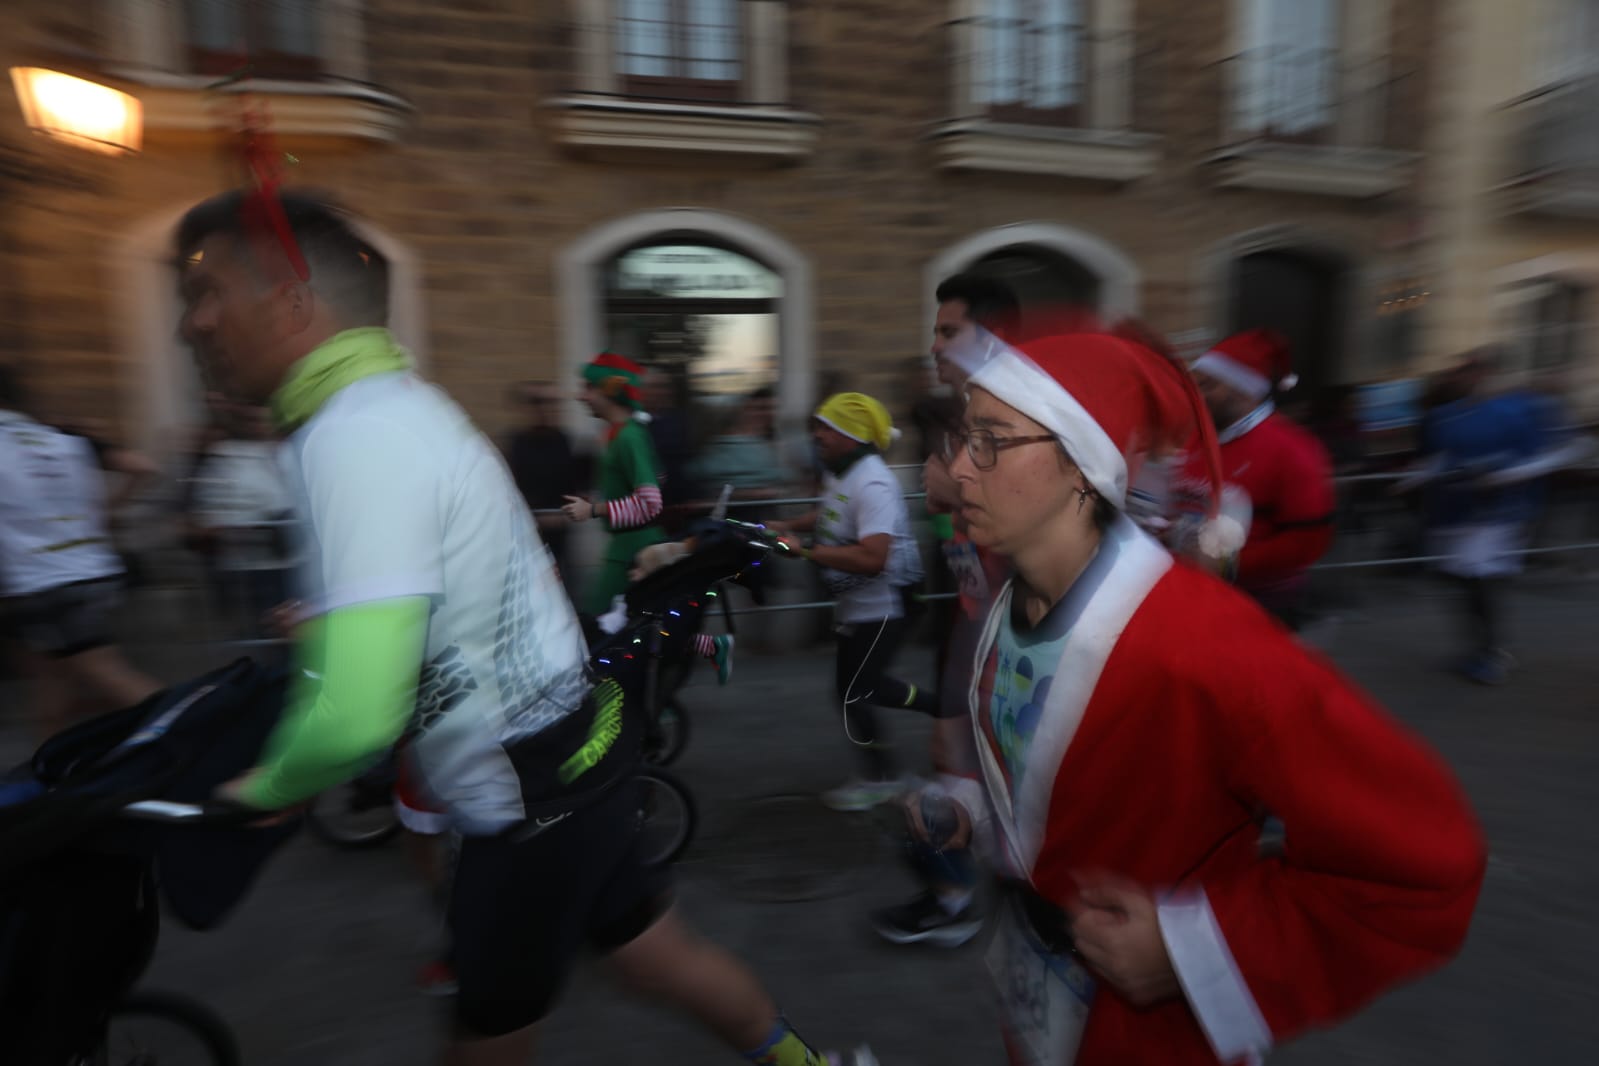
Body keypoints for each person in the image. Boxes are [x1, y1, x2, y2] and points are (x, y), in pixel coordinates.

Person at [178, 190, 873, 1066]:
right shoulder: (391, 408)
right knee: (659, 960)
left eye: (209, 291)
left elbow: (357, 715)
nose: (192, 322)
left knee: (494, 1036)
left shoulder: (358, 434)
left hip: (527, 797)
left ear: (289, 302)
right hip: (565, 756)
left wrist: (256, 794)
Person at [912, 329, 1484, 1065]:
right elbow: (1050, 770)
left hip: (1152, 1033)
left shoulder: (1207, 648)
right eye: (963, 436)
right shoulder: (1012, 598)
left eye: (990, 439)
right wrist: (973, 810)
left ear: (1082, 467)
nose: (957, 468)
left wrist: (1194, 951)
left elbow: (1427, 856)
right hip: (1040, 992)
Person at [869, 276, 1020, 948]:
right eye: (934, 331)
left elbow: (1044, 529)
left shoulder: (1018, 418)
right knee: (952, 757)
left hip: (1016, 636)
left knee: (988, 766)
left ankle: (968, 895)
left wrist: (953, 496)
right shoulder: (968, 413)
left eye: (947, 331)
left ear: (993, 338)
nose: (932, 345)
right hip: (971, 617)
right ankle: (953, 894)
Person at [772, 392, 935, 811]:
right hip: (859, 604)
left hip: (886, 603)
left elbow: (873, 558)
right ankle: (940, 714)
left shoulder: (874, 481)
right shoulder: (840, 473)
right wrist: (785, 523)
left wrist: (803, 552)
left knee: (856, 694)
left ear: (852, 434)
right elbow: (829, 513)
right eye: (818, 425)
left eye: (827, 428)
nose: (817, 435)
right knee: (855, 690)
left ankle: (885, 775)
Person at [1396, 350, 1591, 685]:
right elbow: (1442, 457)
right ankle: (1481, 648)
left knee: (1479, 580)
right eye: (1461, 371)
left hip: (1498, 513)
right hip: (1454, 512)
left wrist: (1508, 476)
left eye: (1473, 371)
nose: (1464, 377)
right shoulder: (1446, 416)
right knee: (1458, 580)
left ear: (1488, 374)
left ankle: (1491, 652)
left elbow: (1568, 448)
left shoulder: (1522, 409)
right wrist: (1413, 477)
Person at [0, 364, 163, 740]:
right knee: (51, 679)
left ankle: (196, 727)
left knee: (107, 674)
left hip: (42, 581)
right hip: (89, 569)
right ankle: (48, 774)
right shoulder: (62, 437)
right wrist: (105, 512)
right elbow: (142, 466)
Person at [562, 354, 732, 683]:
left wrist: (595, 510)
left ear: (610, 391)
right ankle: (709, 649)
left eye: (589, 388)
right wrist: (603, 502)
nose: (581, 396)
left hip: (633, 550)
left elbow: (650, 502)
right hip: (628, 546)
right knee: (637, 627)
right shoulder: (622, 434)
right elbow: (657, 480)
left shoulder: (628, 436)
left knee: (603, 628)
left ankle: (646, 708)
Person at [1180, 329, 1336, 628]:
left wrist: (1230, 565)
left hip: (1261, 604)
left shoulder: (1294, 447)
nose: (1196, 394)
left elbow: (1310, 540)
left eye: (1208, 385)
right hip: (1192, 591)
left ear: (1242, 389)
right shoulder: (1194, 440)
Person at [503, 381, 583, 594]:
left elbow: (575, 486)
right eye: (537, 402)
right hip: (528, 533)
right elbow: (510, 488)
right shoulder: (518, 443)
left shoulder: (565, 441)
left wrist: (566, 513)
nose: (544, 408)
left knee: (563, 589)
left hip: (560, 531)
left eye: (550, 402)